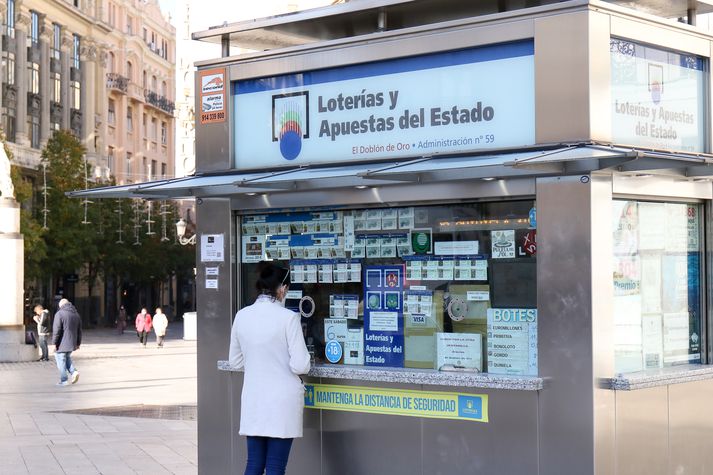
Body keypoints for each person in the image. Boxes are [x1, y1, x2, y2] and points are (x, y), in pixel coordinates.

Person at [229, 262, 311, 475]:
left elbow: (235, 362)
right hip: (281, 402)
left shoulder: (242, 315)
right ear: (282, 288)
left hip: (254, 399)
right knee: (275, 466)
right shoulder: (288, 318)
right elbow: (301, 364)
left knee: (254, 463)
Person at [53, 298, 81, 386]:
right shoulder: (76, 314)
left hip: (62, 343)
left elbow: (57, 330)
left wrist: (54, 343)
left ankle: (64, 380)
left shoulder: (60, 314)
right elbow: (79, 330)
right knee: (67, 358)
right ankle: (74, 372)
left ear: (61, 306)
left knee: (60, 360)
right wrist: (78, 343)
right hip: (72, 342)